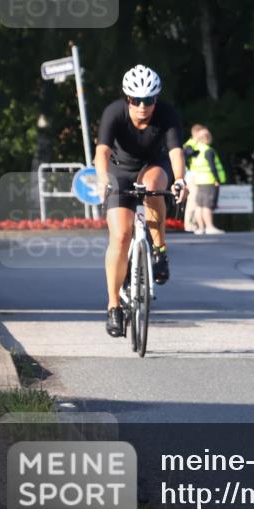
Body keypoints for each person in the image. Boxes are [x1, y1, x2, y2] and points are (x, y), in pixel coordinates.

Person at [95, 65, 188, 337]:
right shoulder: (114, 112)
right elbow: (102, 151)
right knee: (121, 236)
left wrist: (180, 179)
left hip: (152, 165)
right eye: (136, 100)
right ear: (127, 99)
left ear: (156, 99)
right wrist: (102, 178)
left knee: (153, 187)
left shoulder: (167, 114)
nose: (143, 107)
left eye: (149, 100)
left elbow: (175, 152)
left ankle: (159, 250)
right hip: (119, 169)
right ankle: (114, 307)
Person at [188, 126, 226, 234]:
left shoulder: (197, 150)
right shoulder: (208, 150)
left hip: (199, 181)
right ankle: (209, 227)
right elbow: (212, 166)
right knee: (207, 205)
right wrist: (216, 179)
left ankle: (201, 228)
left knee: (200, 205)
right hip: (209, 181)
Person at [181, 124, 204, 233]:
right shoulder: (190, 145)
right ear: (196, 133)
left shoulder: (196, 144)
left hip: (196, 175)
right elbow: (188, 154)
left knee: (196, 200)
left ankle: (193, 224)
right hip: (191, 175)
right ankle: (190, 225)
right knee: (193, 200)